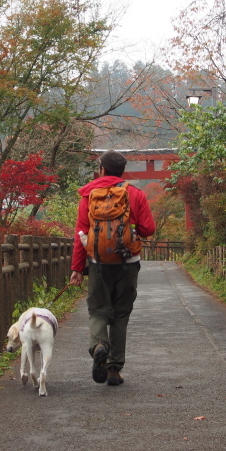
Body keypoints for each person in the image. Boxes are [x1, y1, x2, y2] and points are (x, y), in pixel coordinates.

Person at [69, 150, 156, 386]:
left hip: (98, 264)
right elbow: (148, 229)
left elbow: (80, 235)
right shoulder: (135, 194)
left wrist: (77, 268)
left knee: (98, 311)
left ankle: (99, 346)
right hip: (128, 264)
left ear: (102, 169)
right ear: (122, 171)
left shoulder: (89, 196)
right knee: (120, 315)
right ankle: (114, 370)